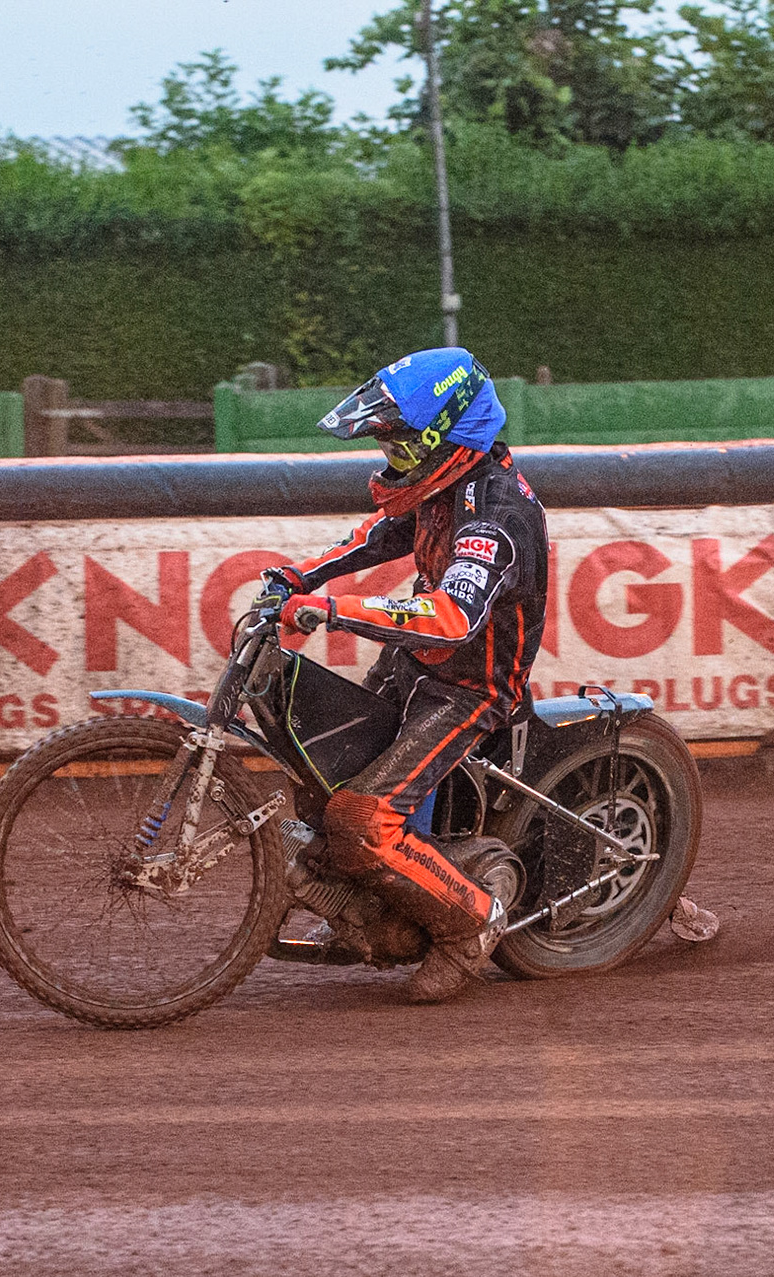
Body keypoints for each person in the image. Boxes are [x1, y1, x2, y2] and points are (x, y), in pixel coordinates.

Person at [255, 348, 548, 1001]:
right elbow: (380, 536)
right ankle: (376, 903)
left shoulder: (497, 516)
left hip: (471, 688)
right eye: (386, 443)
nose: (391, 456)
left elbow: (452, 617)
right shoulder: (442, 485)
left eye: (401, 443)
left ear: (446, 438)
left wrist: (334, 609)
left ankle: (470, 924)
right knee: (324, 775)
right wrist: (300, 576)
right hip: (413, 663)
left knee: (363, 817)